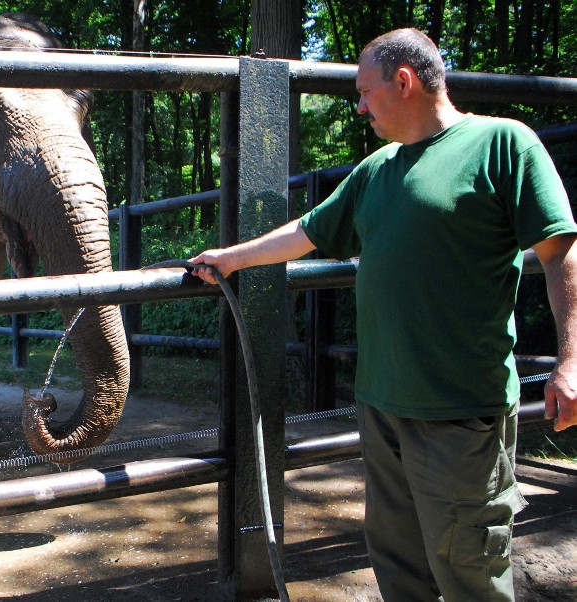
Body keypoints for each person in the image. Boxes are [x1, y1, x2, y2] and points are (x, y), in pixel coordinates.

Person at [191, 27, 577, 602]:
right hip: (382, 408)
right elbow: (308, 231)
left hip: (460, 410)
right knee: (398, 568)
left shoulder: (503, 145)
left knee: (470, 570)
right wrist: (231, 258)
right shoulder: (378, 169)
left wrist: (571, 360)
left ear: (405, 81)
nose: (361, 106)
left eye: (365, 92)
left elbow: (561, 252)